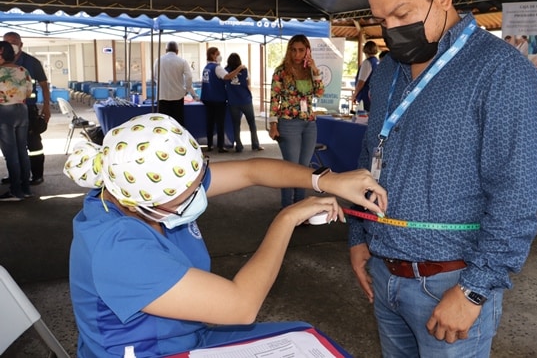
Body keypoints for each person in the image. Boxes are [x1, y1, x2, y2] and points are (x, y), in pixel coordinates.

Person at [348, 0, 537, 357]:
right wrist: (359, 235)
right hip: (384, 272)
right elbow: (369, 161)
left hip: (450, 284)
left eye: (402, 14)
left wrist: (474, 291)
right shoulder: (386, 72)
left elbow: (518, 193)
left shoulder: (501, 72)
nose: (391, 29)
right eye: (382, 19)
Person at [63, 112, 386, 357]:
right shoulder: (116, 248)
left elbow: (252, 170)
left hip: (187, 337)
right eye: (186, 194)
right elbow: (240, 306)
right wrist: (286, 219)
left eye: (199, 181)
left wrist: (327, 181)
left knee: (305, 337)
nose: (199, 194)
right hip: (151, 352)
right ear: (143, 203)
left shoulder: (147, 186)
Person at [269, 35, 325, 208]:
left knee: (304, 169)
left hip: (309, 123)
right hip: (288, 123)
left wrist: (314, 69)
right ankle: (287, 208)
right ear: (289, 50)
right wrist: (273, 124)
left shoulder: (310, 70)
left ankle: (299, 208)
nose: (297, 54)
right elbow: (274, 98)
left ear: (307, 50)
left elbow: (319, 92)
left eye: (301, 50)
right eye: (293, 50)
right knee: (290, 169)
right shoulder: (281, 71)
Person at [2, 31, 49, 186]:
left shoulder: (31, 62)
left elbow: (43, 85)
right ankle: (17, 176)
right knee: (13, 147)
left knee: (33, 144)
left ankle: (36, 175)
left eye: (14, 42)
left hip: (27, 110)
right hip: (10, 111)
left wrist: (46, 108)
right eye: (7, 42)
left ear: (21, 44)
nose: (11, 45)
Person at [0, 41, 33, 201]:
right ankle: (26, 189)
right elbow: (28, 93)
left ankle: (15, 191)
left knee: (10, 154)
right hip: (22, 111)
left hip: (4, 112)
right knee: (22, 151)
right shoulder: (23, 70)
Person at [200, 47, 245, 153]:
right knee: (220, 123)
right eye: (217, 53)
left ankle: (210, 145)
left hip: (207, 98)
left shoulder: (206, 67)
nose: (219, 55)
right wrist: (239, 68)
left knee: (210, 122)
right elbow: (227, 76)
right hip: (218, 98)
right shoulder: (217, 68)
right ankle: (220, 146)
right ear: (212, 55)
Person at [224, 52, 264, 152]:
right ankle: (255, 144)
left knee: (236, 124)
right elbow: (248, 83)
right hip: (245, 100)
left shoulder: (226, 71)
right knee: (252, 123)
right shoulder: (244, 70)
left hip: (233, 101)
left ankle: (239, 146)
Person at [153, 41, 198, 127]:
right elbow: (189, 77)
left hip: (162, 97)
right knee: (177, 125)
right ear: (177, 51)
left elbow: (155, 77)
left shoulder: (158, 61)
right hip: (177, 97)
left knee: (163, 125)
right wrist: (188, 90)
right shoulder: (182, 61)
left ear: (166, 50)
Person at [352, 40, 379, 112]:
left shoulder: (367, 62)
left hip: (365, 96)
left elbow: (361, 82)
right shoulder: (377, 62)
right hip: (373, 95)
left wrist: (354, 95)